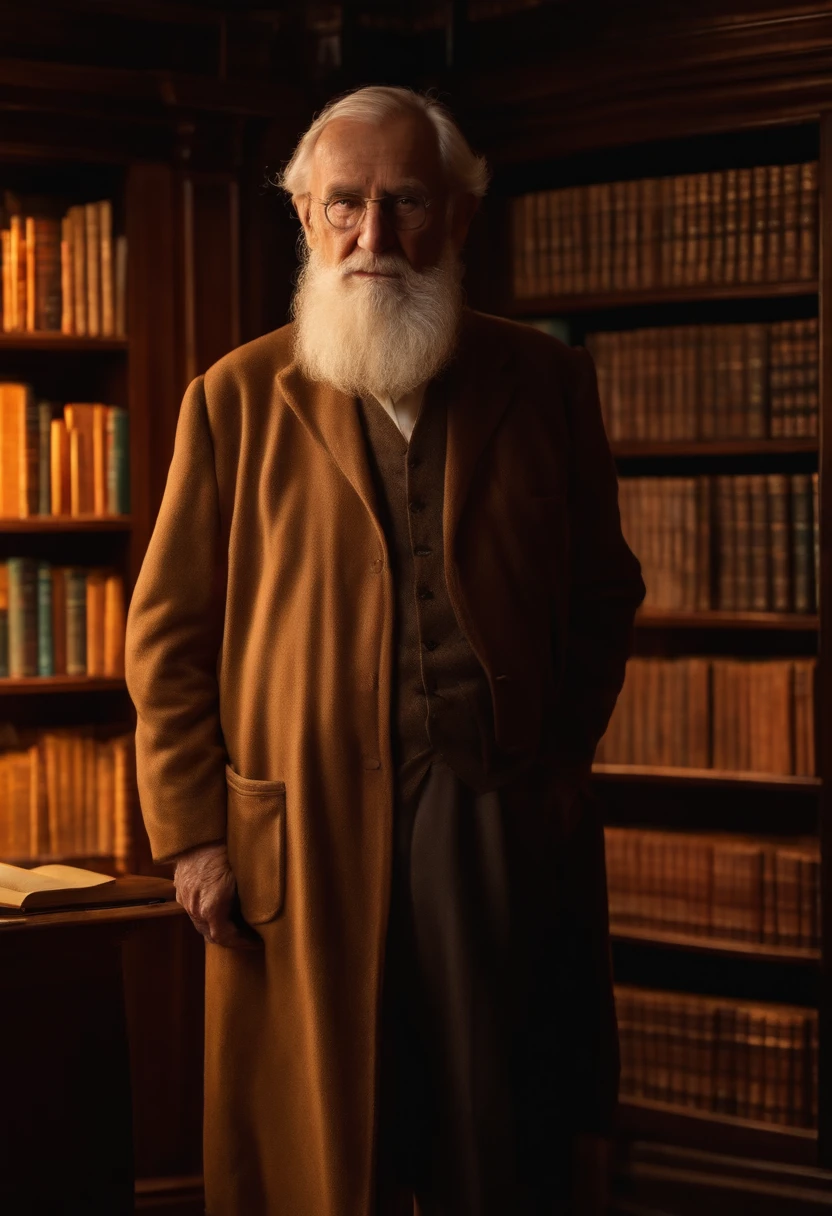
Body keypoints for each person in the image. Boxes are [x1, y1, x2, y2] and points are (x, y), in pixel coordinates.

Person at [124, 84, 646, 1216]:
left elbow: (607, 591)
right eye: (345, 206)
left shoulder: (545, 382)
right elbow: (166, 638)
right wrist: (194, 838)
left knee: (494, 1132)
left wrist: (555, 756)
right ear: (304, 216)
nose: (373, 237)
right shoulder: (233, 398)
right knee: (321, 1151)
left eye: (404, 203)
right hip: (296, 829)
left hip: (493, 813)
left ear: (455, 216)